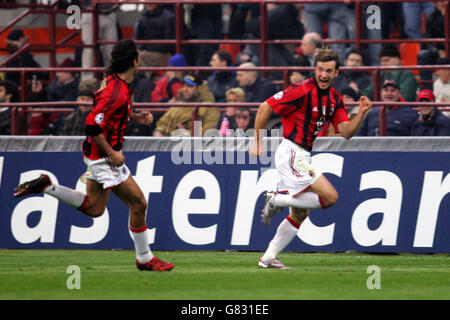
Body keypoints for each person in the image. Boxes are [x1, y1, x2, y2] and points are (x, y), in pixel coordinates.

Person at [14, 40, 174, 272]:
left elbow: (111, 115)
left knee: (94, 209)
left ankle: (47, 186)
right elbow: (92, 125)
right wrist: (112, 153)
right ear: (134, 61)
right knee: (139, 204)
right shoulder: (115, 91)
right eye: (138, 56)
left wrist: (136, 117)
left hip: (96, 154)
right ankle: (144, 258)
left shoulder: (117, 83)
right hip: (104, 158)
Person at [249, 48, 372, 269]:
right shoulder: (302, 90)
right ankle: (277, 199)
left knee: (300, 212)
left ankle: (268, 258)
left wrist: (361, 113)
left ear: (337, 72)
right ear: (314, 69)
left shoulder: (334, 99)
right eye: (321, 70)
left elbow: (345, 131)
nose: (324, 75)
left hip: (302, 154)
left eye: (329, 70)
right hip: (292, 153)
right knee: (330, 197)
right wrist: (257, 141)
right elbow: (264, 107)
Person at [153, 74, 219, 136]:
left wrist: (187, 134)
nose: (185, 89)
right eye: (184, 85)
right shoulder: (178, 104)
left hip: (194, 146)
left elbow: (208, 132)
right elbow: (163, 123)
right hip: (169, 143)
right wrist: (158, 132)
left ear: (199, 89)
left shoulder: (210, 108)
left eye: (190, 86)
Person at [80, 0, 119, 80]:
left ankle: (112, 81)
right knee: (89, 50)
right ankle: (88, 84)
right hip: (90, 12)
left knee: (111, 51)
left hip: (109, 13)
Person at [134, 4, 175, 68]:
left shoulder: (168, 17)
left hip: (163, 53)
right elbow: (138, 40)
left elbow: (168, 44)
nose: (149, 3)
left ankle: (144, 77)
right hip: (146, 52)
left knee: (140, 57)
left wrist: (148, 49)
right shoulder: (143, 18)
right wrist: (141, 48)